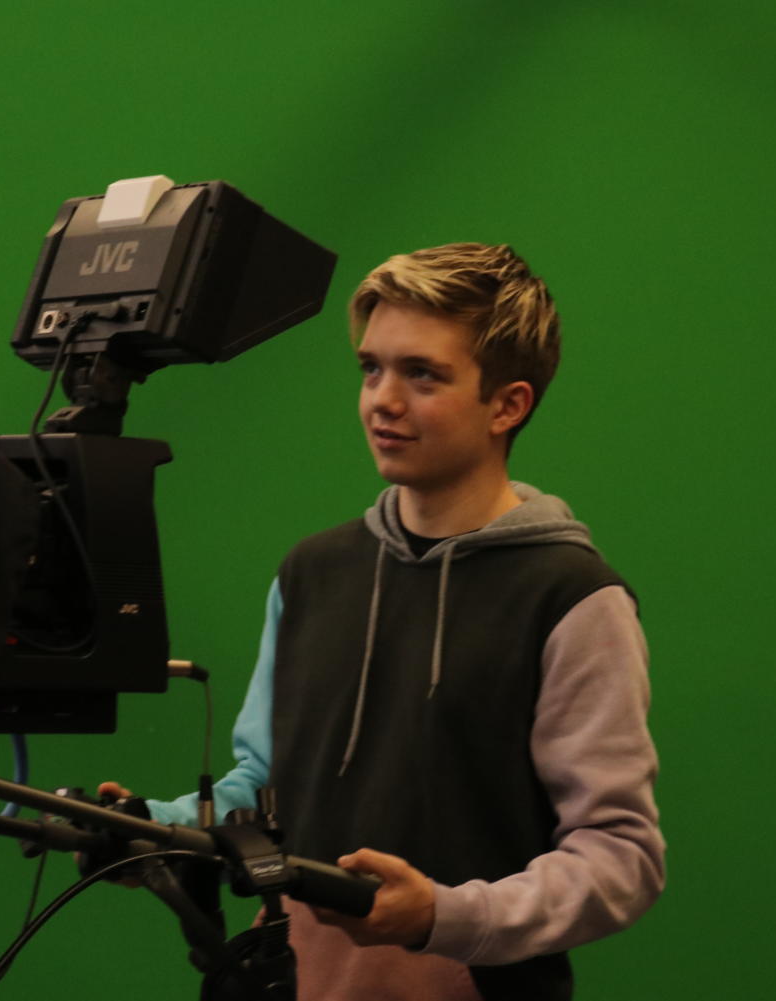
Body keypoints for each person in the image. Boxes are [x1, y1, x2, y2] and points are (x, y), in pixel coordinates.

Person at [102, 243, 663, 1000]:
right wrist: (152, 827)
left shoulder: (571, 598)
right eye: (372, 367)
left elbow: (620, 856)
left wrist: (447, 914)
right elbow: (264, 784)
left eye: (421, 373)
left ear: (508, 404)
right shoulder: (311, 573)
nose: (381, 399)